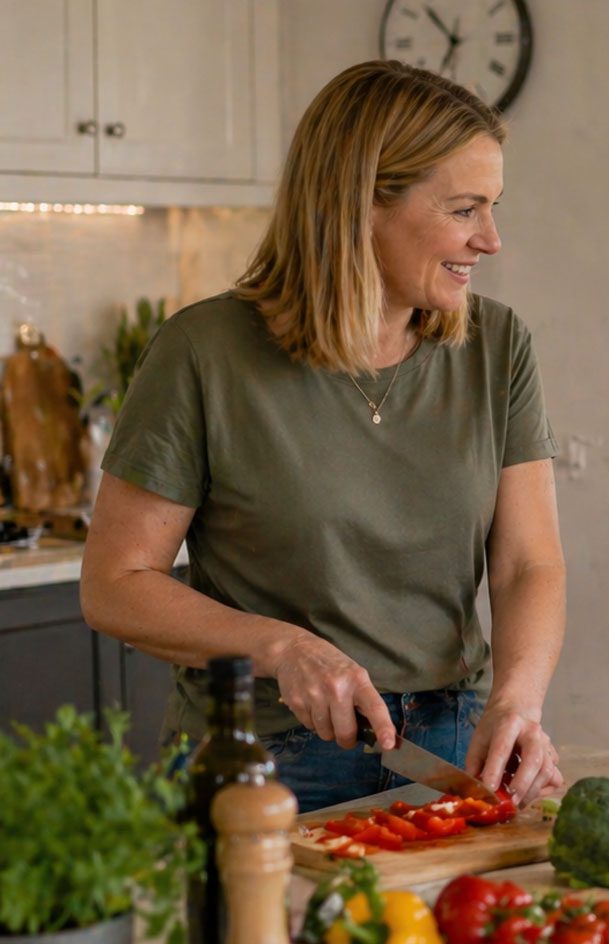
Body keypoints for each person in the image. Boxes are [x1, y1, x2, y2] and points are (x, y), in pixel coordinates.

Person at [80, 61, 567, 813]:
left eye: (492, 207)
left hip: (451, 742)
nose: (491, 239)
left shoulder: (497, 347)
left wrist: (517, 703)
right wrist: (283, 649)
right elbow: (115, 586)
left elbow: (527, 564)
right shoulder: (204, 352)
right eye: (465, 209)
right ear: (364, 202)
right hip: (260, 757)